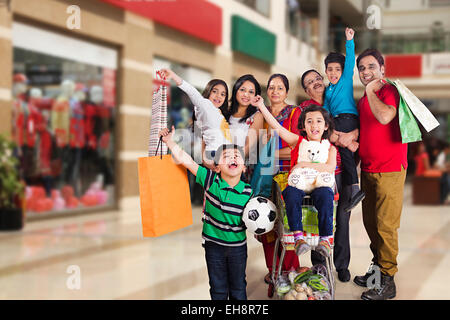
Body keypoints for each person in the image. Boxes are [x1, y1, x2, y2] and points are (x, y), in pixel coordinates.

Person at [159, 127, 253, 300]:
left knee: (238, 287)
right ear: (217, 167)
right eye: (226, 157)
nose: (232, 158)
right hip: (213, 246)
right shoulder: (210, 180)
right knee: (217, 288)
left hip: (238, 249)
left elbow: (254, 220)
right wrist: (170, 142)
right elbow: (187, 161)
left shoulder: (249, 192)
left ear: (244, 168)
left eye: (236, 156)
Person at [353, 48, 408, 300]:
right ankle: (377, 271)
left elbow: (386, 117)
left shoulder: (389, 91)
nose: (366, 72)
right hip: (369, 169)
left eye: (371, 66)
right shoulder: (364, 100)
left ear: (382, 69)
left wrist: (369, 91)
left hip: (390, 168)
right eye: (362, 68)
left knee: (386, 227)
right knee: (372, 225)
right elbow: (367, 132)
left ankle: (388, 282)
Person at [253, 97, 337, 258]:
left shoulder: (329, 148)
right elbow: (276, 127)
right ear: (303, 126)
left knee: (326, 195)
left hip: (319, 185)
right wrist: (261, 106)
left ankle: (325, 238)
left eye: (319, 121)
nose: (314, 125)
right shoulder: (298, 141)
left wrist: (302, 165)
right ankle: (298, 237)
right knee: (290, 193)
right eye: (309, 121)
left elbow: (329, 167)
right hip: (300, 184)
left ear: (326, 126)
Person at [300, 69, 356, 282]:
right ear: (306, 90)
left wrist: (351, 136)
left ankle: (342, 265)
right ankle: (320, 265)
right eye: (309, 82)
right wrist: (343, 138)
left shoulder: (335, 101)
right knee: (318, 219)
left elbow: (352, 125)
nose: (315, 83)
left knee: (342, 218)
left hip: (340, 172)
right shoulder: (306, 109)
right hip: (317, 173)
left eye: (317, 79)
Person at [257, 74, 301, 284]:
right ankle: (273, 268)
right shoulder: (259, 115)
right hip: (262, 178)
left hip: (287, 177)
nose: (275, 91)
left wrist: (267, 154)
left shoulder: (294, 113)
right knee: (265, 225)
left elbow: (297, 147)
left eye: (280, 87)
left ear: (286, 91)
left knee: (287, 224)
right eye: (271, 87)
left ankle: (291, 268)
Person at [323, 27, 364, 212]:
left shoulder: (345, 80)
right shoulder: (328, 90)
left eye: (337, 69)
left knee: (343, 150)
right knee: (345, 153)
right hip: (337, 121)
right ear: (325, 71)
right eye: (329, 70)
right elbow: (325, 110)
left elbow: (349, 62)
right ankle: (354, 189)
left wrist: (349, 41)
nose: (333, 73)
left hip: (348, 119)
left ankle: (355, 188)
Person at [160, 69, 231, 170]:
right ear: (208, 92)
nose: (219, 96)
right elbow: (192, 91)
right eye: (215, 91)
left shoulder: (217, 112)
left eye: (223, 94)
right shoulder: (204, 104)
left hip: (221, 156)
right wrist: (173, 75)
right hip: (216, 156)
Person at [226, 74, 264, 157]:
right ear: (236, 90)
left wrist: (230, 161)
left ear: (256, 96)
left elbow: (248, 147)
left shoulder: (257, 116)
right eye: (242, 90)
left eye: (251, 92)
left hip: (238, 164)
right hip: (216, 162)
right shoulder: (225, 112)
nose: (246, 94)